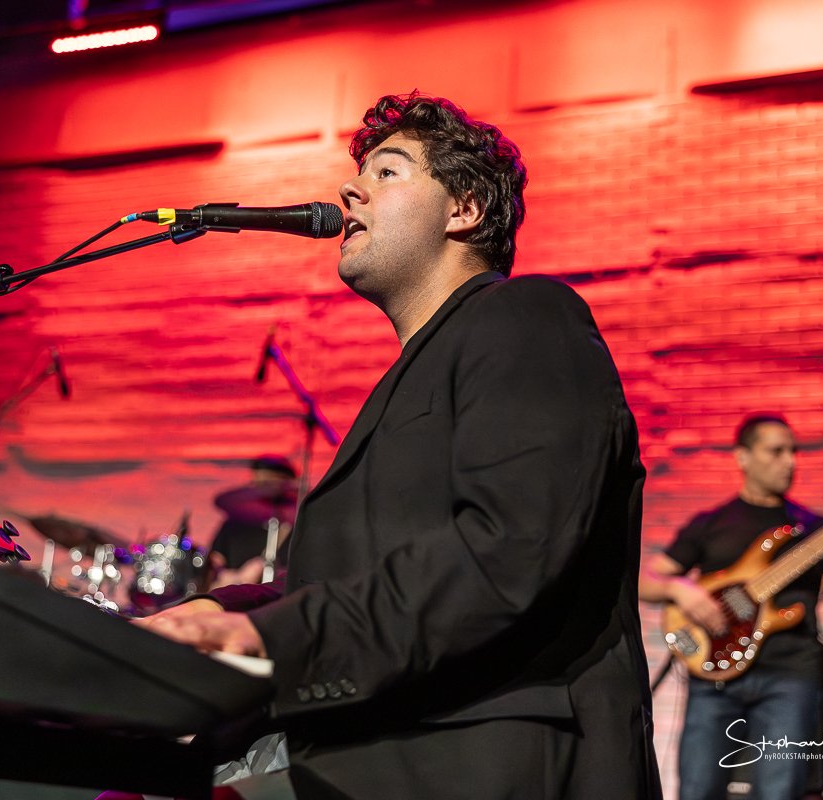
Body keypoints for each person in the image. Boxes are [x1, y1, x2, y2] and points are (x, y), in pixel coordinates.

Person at [136, 92, 661, 798]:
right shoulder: (420, 373)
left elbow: (509, 547)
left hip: (485, 758)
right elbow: (376, 579)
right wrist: (225, 612)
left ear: (464, 208)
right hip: (388, 750)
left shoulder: (527, 316)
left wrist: (274, 638)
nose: (349, 189)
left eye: (388, 171)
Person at [639, 413, 823, 800]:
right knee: (697, 789)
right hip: (713, 677)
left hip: (790, 678)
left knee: (780, 792)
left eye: (792, 451)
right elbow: (647, 582)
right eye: (775, 451)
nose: (789, 461)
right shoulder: (711, 524)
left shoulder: (813, 530)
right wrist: (682, 590)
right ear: (742, 457)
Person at [208, 455, 298, 589]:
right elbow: (216, 560)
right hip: (234, 593)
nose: (265, 484)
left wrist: (264, 569)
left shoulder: (298, 530)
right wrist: (225, 576)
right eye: (260, 480)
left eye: (271, 479)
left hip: (277, 595)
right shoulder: (233, 524)